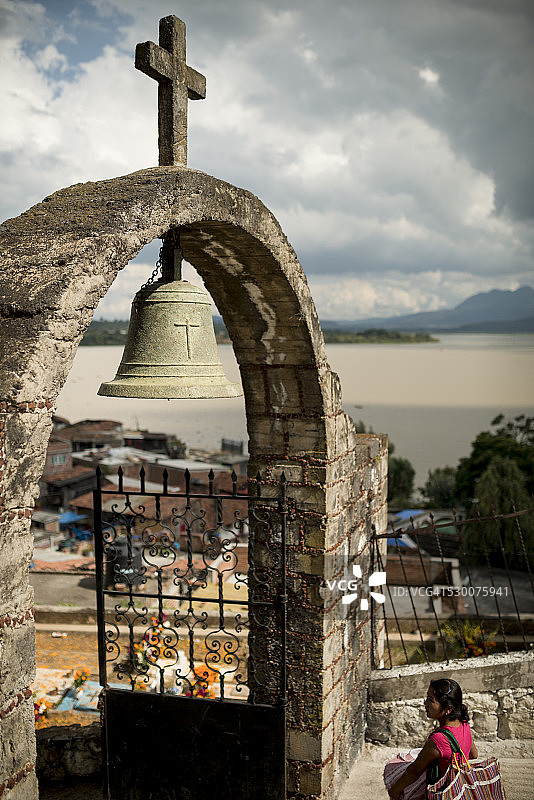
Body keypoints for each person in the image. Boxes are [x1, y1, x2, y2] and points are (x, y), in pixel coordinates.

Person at [387, 677, 478, 800]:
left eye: (431, 700)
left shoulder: (439, 739)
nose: (425, 704)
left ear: (448, 709)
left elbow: (415, 770)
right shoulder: (463, 724)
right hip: (458, 786)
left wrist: (395, 790)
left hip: (442, 791)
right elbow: (473, 755)